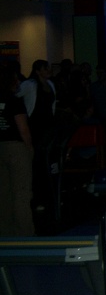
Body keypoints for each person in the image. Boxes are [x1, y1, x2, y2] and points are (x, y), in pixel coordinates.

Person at [16, 59, 57, 212]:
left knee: (48, 164)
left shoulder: (51, 85)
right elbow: (15, 95)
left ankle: (48, 198)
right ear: (38, 70)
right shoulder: (29, 85)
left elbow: (52, 107)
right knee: (37, 164)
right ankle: (37, 198)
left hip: (48, 129)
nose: (48, 70)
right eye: (45, 68)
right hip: (35, 128)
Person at [0, 64, 34, 236]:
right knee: (21, 192)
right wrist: (30, 149)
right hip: (16, 147)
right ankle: (25, 234)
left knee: (4, 193)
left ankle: (6, 233)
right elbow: (23, 130)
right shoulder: (14, 100)